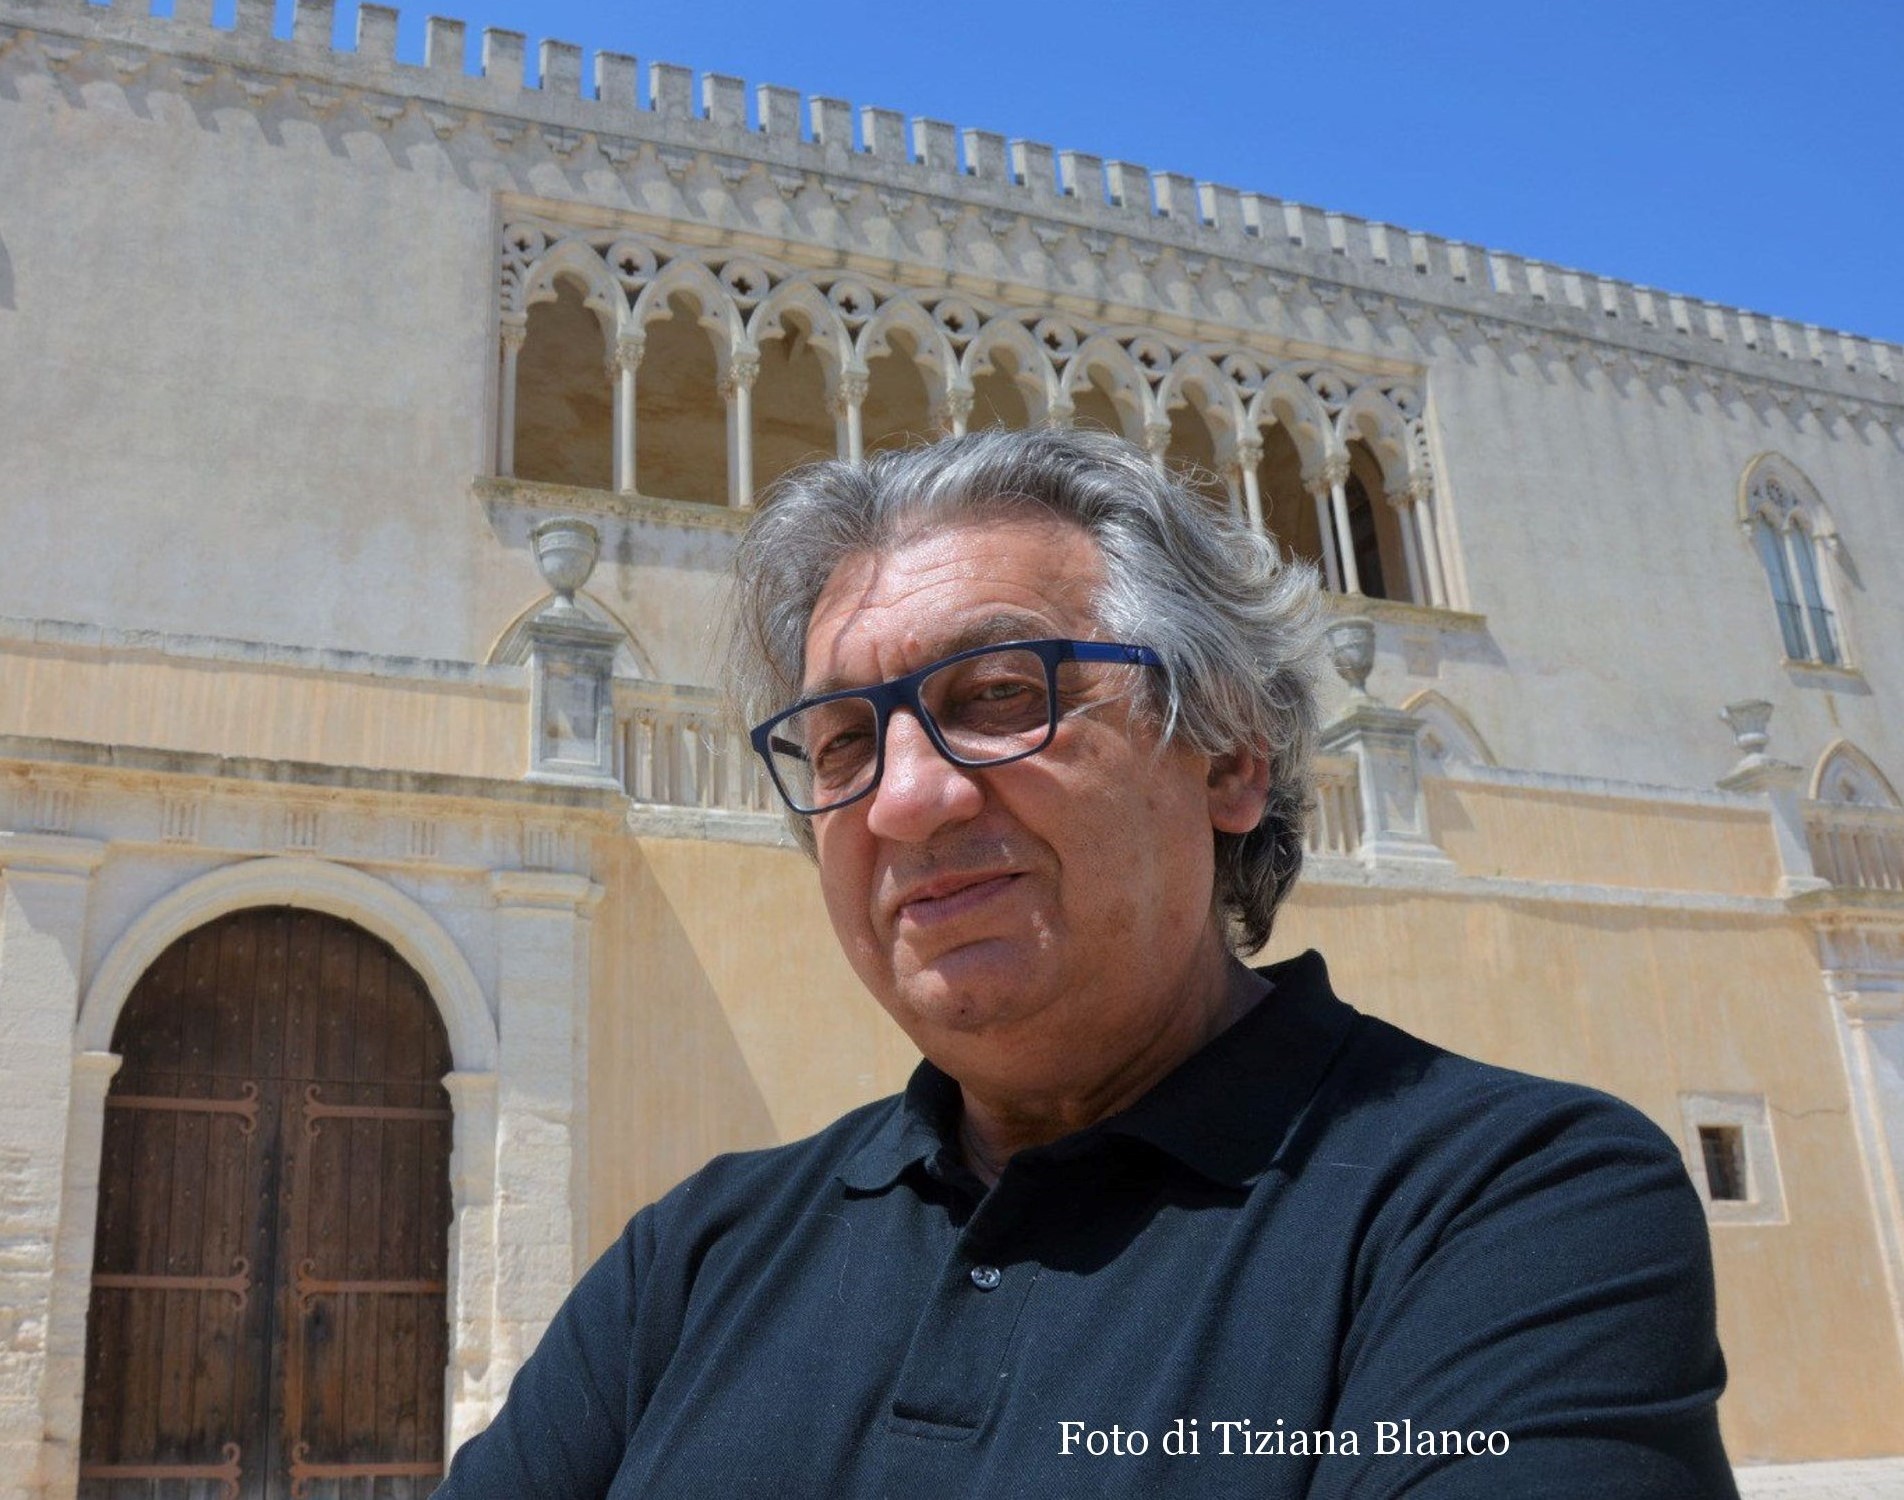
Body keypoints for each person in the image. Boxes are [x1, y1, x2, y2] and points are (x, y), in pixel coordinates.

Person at [435, 427, 1736, 1498]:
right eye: (839, 744)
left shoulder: (1503, 1213)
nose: (902, 800)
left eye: (1002, 695)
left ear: (1228, 752)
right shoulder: (695, 1262)